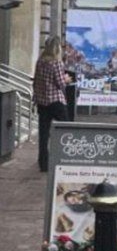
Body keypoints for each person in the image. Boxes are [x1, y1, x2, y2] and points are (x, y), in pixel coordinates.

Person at [33, 36, 71, 172]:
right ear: (57, 48)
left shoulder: (40, 61)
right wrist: (66, 79)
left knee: (43, 133)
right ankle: (66, 158)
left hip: (42, 102)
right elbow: (60, 83)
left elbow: (36, 80)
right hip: (56, 101)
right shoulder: (56, 63)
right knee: (66, 129)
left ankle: (43, 163)